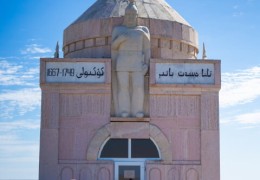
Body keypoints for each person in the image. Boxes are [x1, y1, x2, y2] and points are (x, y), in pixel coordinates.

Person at [111, 0, 150, 118]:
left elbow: (147, 50)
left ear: (136, 16)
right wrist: (120, 39)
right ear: (125, 16)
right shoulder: (118, 30)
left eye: (133, 15)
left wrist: (146, 64)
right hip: (122, 62)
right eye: (128, 15)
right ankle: (124, 111)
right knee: (123, 88)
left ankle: (138, 111)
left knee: (138, 87)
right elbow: (113, 47)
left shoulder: (143, 31)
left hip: (138, 63)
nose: (130, 17)